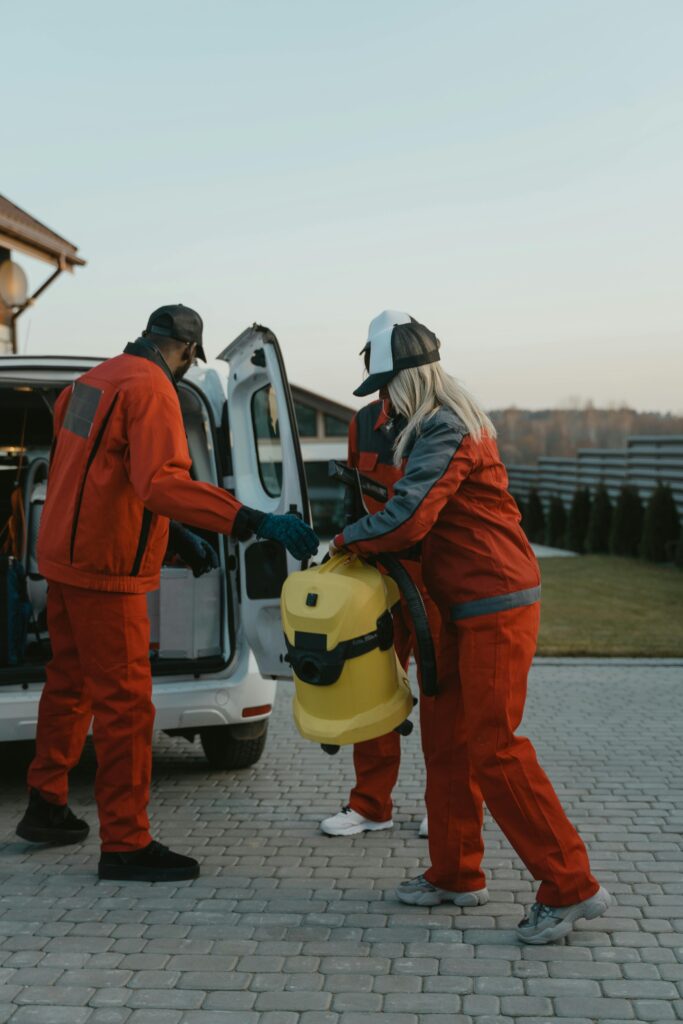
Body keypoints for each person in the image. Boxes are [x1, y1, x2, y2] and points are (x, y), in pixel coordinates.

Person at [329, 310, 611, 944]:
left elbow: (408, 517)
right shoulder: (428, 425)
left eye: (381, 389)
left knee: (495, 747)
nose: (379, 403)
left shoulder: (446, 428)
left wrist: (343, 540)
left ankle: (571, 887)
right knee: (447, 738)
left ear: (405, 380)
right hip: (455, 605)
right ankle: (456, 873)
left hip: (495, 604)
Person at [16, 304, 319, 883]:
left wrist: (171, 532)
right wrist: (251, 520)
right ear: (183, 350)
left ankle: (46, 804)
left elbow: (96, 471)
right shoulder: (153, 388)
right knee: (126, 707)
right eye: (188, 361)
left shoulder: (88, 383)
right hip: (106, 573)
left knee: (68, 683)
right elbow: (161, 482)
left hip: (62, 560)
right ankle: (126, 843)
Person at [320, 396, 440, 838]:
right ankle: (371, 805)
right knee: (371, 690)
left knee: (440, 697)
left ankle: (446, 805)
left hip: (433, 580)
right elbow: (354, 493)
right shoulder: (365, 421)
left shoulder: (442, 421)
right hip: (377, 580)